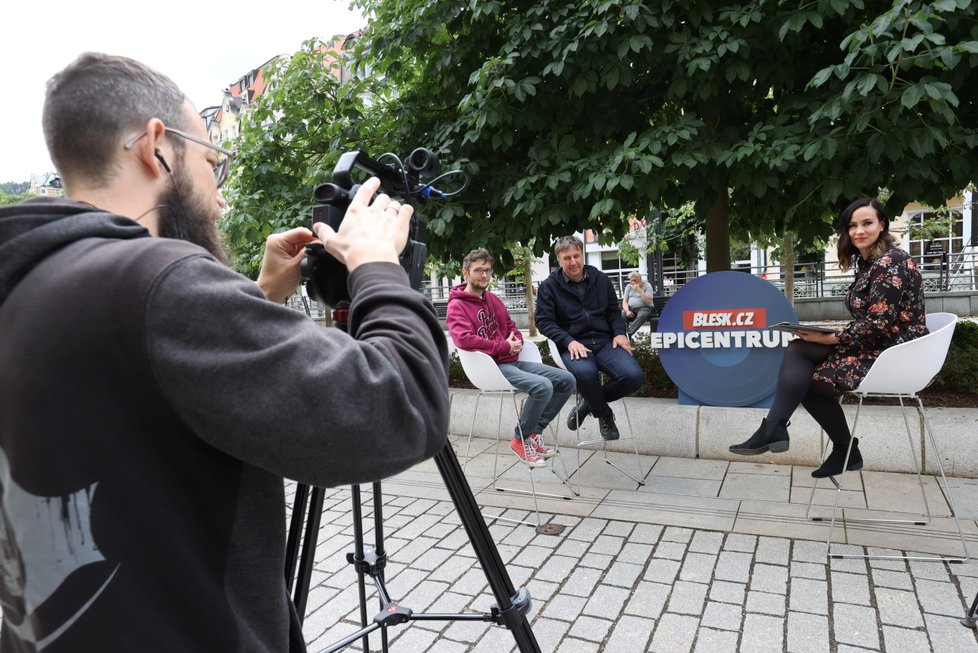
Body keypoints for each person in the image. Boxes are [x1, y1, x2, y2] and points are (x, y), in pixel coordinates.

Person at [0, 53, 448, 652]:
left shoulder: (27, 285)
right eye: (214, 163)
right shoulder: (159, 283)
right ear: (156, 147)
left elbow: (140, 399)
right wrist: (378, 268)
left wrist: (256, 298)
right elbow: (398, 411)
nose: (218, 194)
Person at [729, 198, 927, 478]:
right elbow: (873, 322)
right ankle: (791, 433)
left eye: (867, 223)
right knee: (799, 349)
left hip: (897, 353)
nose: (859, 231)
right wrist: (825, 336)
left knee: (807, 375)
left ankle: (803, 437)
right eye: (852, 226)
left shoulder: (890, 262)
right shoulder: (869, 262)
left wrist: (830, 338)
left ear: (882, 225)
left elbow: (878, 324)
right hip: (878, 344)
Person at [446, 249, 575, 467]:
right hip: (489, 367)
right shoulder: (457, 305)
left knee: (567, 380)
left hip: (509, 361)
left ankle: (534, 433)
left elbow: (511, 327)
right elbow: (464, 340)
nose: (484, 275)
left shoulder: (494, 300)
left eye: (487, 270)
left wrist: (517, 342)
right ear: (465, 272)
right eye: (478, 270)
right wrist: (503, 345)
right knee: (542, 386)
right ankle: (519, 439)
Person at [535, 236, 645, 441]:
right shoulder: (549, 286)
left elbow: (614, 312)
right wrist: (568, 341)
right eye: (567, 258)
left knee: (634, 376)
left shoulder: (601, 279)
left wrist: (620, 333)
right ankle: (603, 414)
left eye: (576, 255)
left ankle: (589, 402)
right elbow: (544, 322)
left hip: (605, 342)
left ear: (582, 255)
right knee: (586, 375)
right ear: (559, 260)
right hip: (573, 345)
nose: (573, 261)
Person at [621, 271, 656, 339]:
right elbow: (625, 301)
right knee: (623, 314)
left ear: (640, 279)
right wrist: (627, 310)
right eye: (631, 280)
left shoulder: (647, 285)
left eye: (635, 280)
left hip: (645, 307)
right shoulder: (629, 286)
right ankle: (625, 335)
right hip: (631, 308)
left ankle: (629, 334)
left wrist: (639, 290)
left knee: (642, 315)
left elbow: (648, 301)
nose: (633, 282)